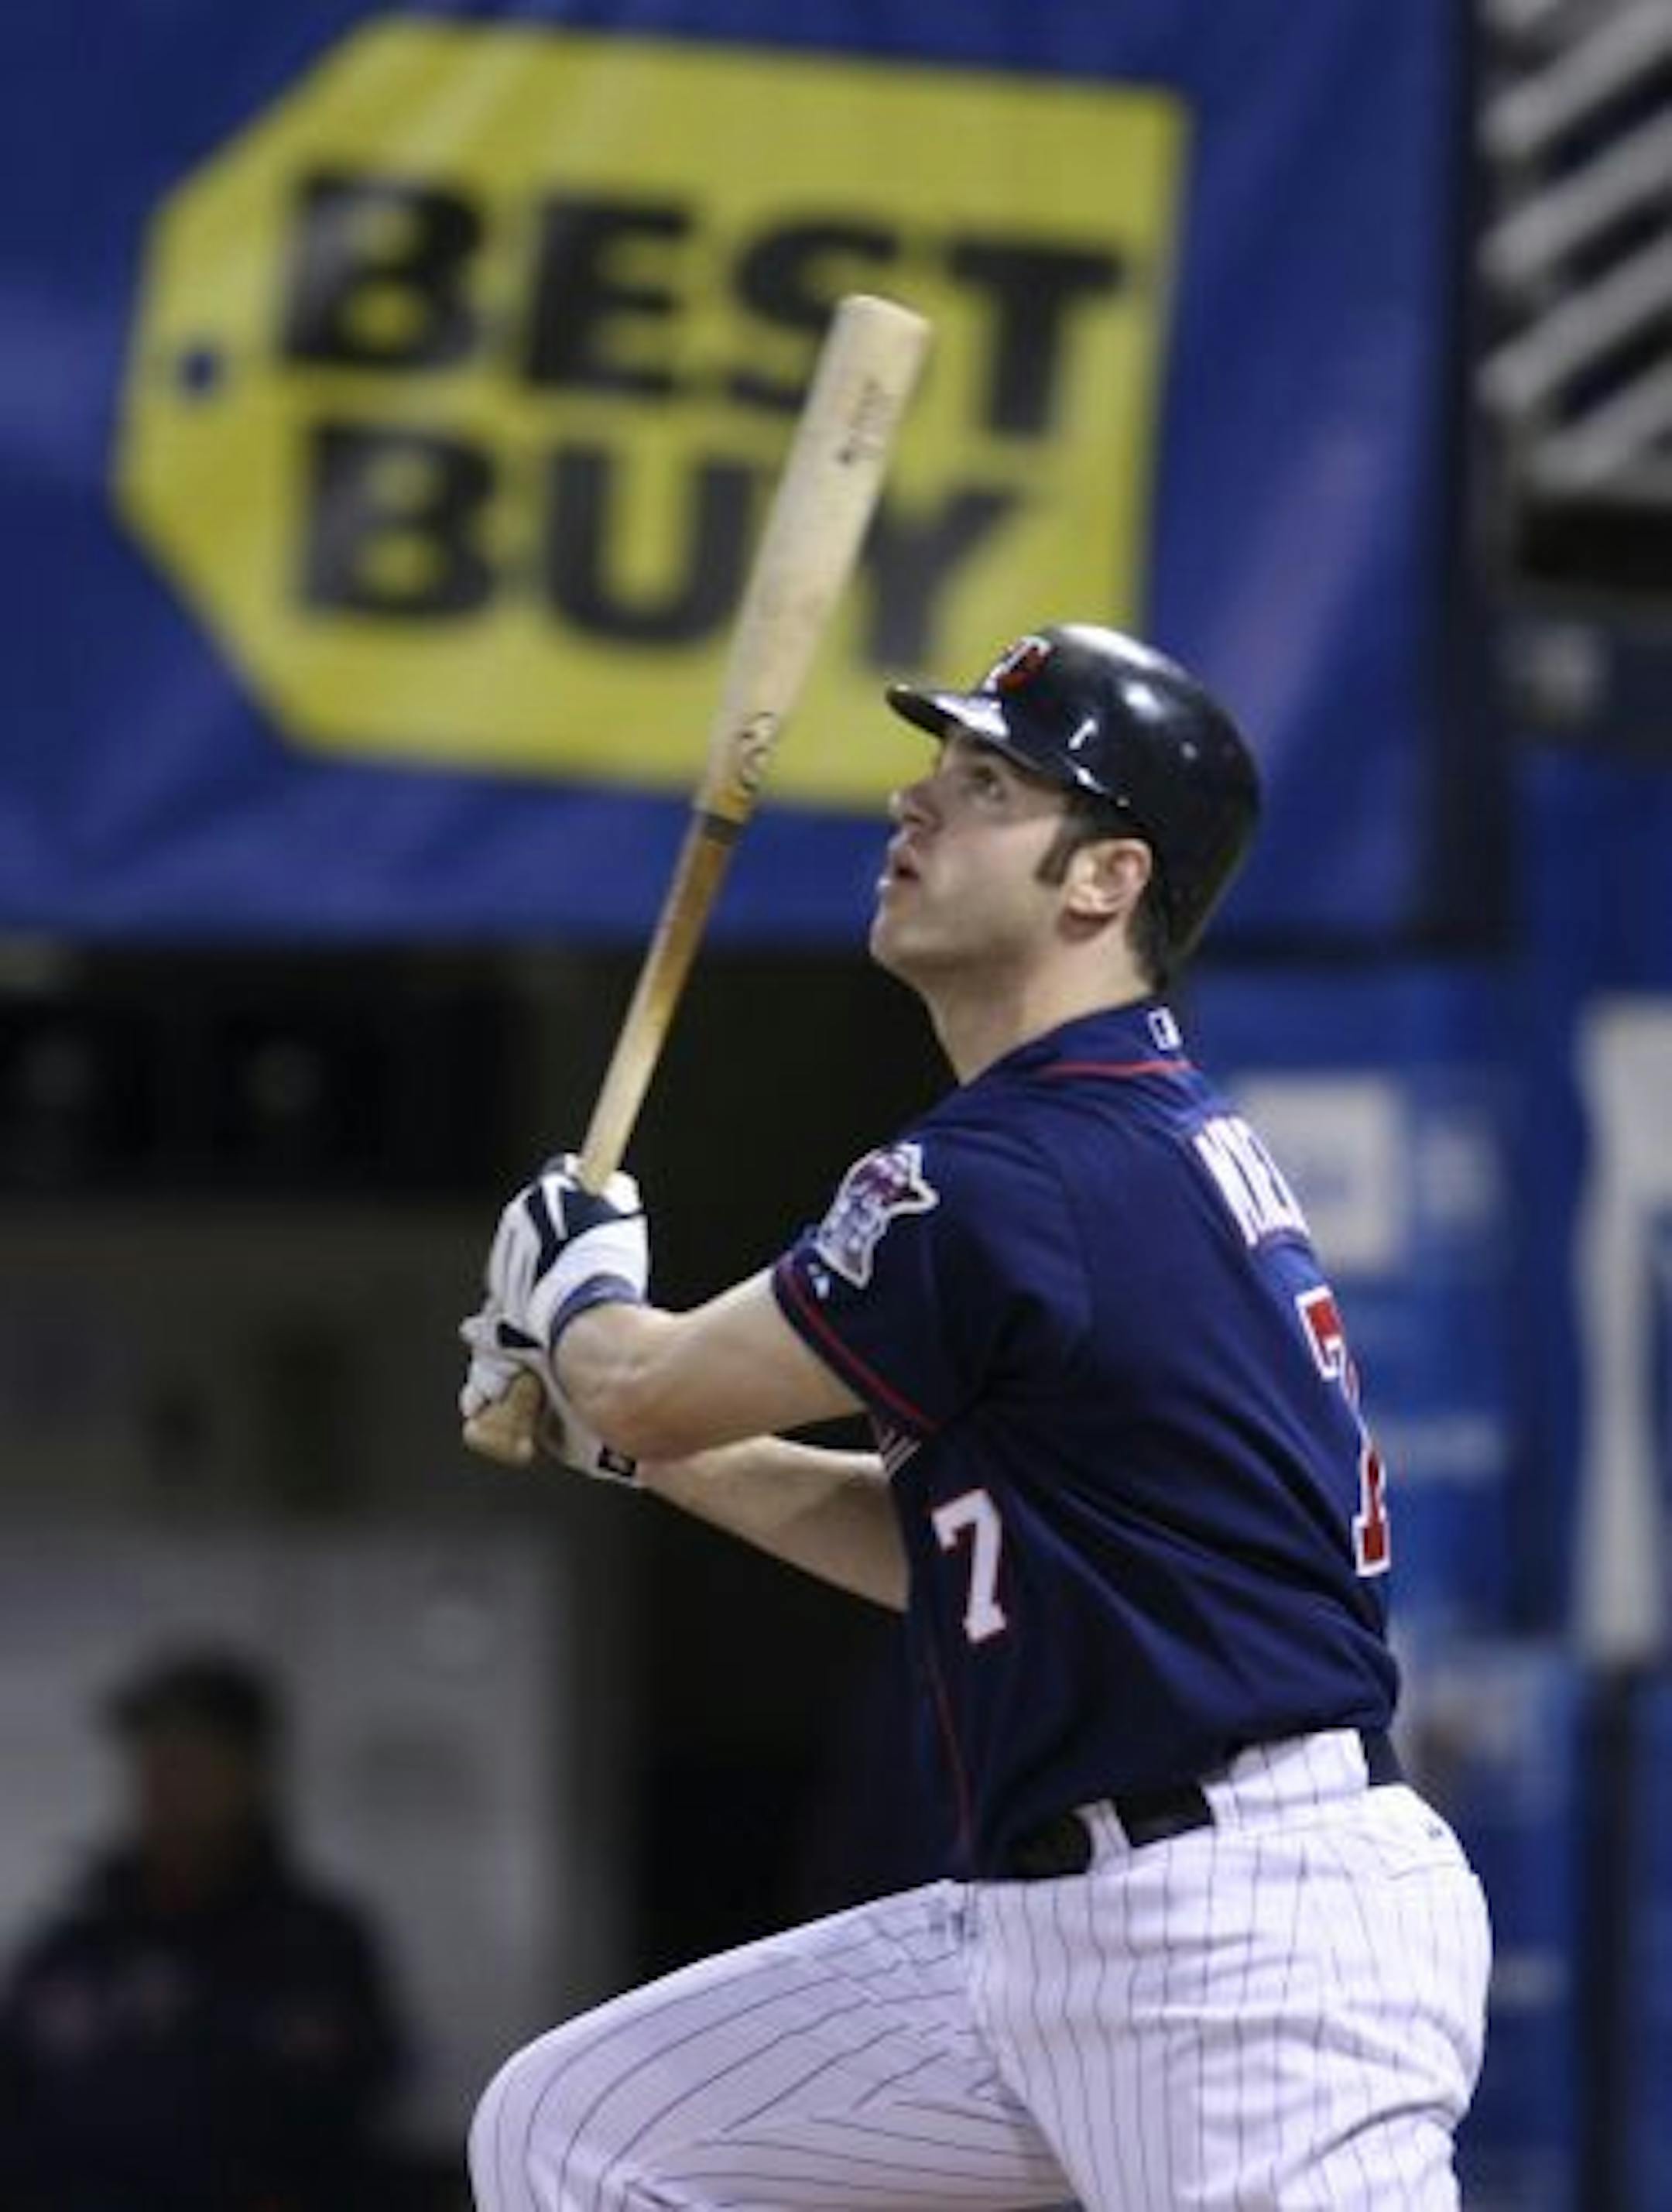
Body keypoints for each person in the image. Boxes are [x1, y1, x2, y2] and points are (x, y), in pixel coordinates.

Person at [460, 624, 1492, 2210]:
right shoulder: (1100, 1140)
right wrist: (632, 1434)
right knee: (579, 2129)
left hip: (1240, 1943)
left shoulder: (1023, 1170)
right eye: (939, 768)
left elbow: (646, 1372)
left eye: (990, 783)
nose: (914, 805)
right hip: (1046, 1927)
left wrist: (582, 1292)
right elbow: (960, 1564)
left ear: (1104, 879)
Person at [0, 1646, 406, 2212]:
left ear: (250, 1772)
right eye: (153, 1757)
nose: (168, 1782)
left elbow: (352, 2121)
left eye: (194, 1757)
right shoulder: (71, 1950)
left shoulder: (319, 1948)